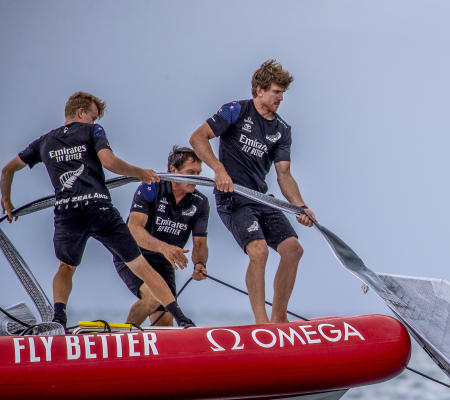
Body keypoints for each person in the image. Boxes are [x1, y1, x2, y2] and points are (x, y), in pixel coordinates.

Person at [0, 92, 195, 328]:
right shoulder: (92, 131)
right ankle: (183, 319)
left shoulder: (45, 141)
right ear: (81, 113)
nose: (94, 121)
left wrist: (7, 202)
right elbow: (109, 162)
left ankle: (58, 320)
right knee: (140, 265)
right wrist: (140, 173)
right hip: (98, 207)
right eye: (92, 116)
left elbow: (8, 170)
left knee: (66, 267)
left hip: (67, 212)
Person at [189, 59, 315, 324]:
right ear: (259, 89)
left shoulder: (282, 130)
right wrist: (219, 170)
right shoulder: (236, 110)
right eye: (276, 91)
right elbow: (197, 138)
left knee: (293, 249)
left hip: (260, 198)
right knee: (259, 251)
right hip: (232, 198)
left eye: (282, 92)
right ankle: (261, 323)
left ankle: (279, 317)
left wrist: (300, 206)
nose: (281, 97)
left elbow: (284, 174)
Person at [114, 146, 209, 326]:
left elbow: (200, 243)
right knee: (151, 298)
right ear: (174, 170)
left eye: (198, 173)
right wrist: (163, 247)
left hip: (164, 262)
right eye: (191, 172)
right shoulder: (152, 186)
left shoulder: (201, 202)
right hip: (135, 256)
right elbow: (134, 229)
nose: (196, 178)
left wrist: (200, 264)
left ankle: (156, 354)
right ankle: (125, 341)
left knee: (165, 320)